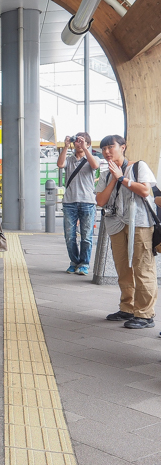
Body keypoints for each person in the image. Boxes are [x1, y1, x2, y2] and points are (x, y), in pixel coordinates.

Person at [96, 134, 158, 329]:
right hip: (116, 223)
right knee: (123, 268)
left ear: (123, 147)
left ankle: (145, 313)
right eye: (103, 148)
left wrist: (122, 178)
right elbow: (100, 201)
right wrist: (114, 179)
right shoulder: (106, 174)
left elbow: (145, 191)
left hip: (139, 223)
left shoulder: (138, 166)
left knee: (143, 267)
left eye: (110, 147)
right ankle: (127, 307)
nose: (106, 151)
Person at [57, 132, 101, 275]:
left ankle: (84, 264)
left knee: (86, 236)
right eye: (77, 141)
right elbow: (60, 164)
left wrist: (85, 148)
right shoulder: (69, 159)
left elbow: (95, 166)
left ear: (88, 144)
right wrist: (65, 146)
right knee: (69, 236)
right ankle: (74, 262)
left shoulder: (92, 158)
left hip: (87, 202)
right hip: (69, 202)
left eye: (82, 141)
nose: (79, 144)